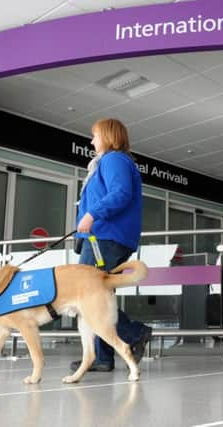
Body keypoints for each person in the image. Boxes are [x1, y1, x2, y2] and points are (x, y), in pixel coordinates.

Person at [70, 118, 152, 372]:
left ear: (107, 136)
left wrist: (92, 214)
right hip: (102, 236)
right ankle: (102, 357)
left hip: (107, 236)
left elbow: (120, 193)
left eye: (94, 135)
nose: (92, 140)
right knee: (98, 297)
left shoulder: (114, 160)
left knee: (89, 296)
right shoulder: (105, 163)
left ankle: (133, 332)